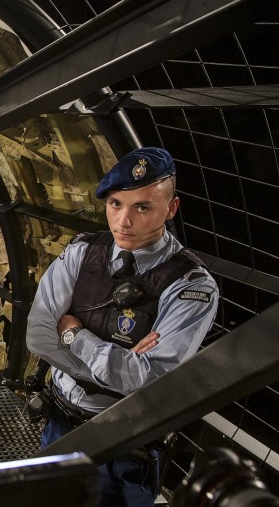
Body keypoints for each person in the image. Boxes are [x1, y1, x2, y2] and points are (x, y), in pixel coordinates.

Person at [26, 147, 219, 506]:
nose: (123, 222)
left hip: (125, 445)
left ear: (171, 208)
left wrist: (74, 334)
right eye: (116, 204)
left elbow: (147, 378)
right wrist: (119, 366)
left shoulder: (190, 286)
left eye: (142, 207)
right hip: (60, 422)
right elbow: (38, 335)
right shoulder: (84, 252)